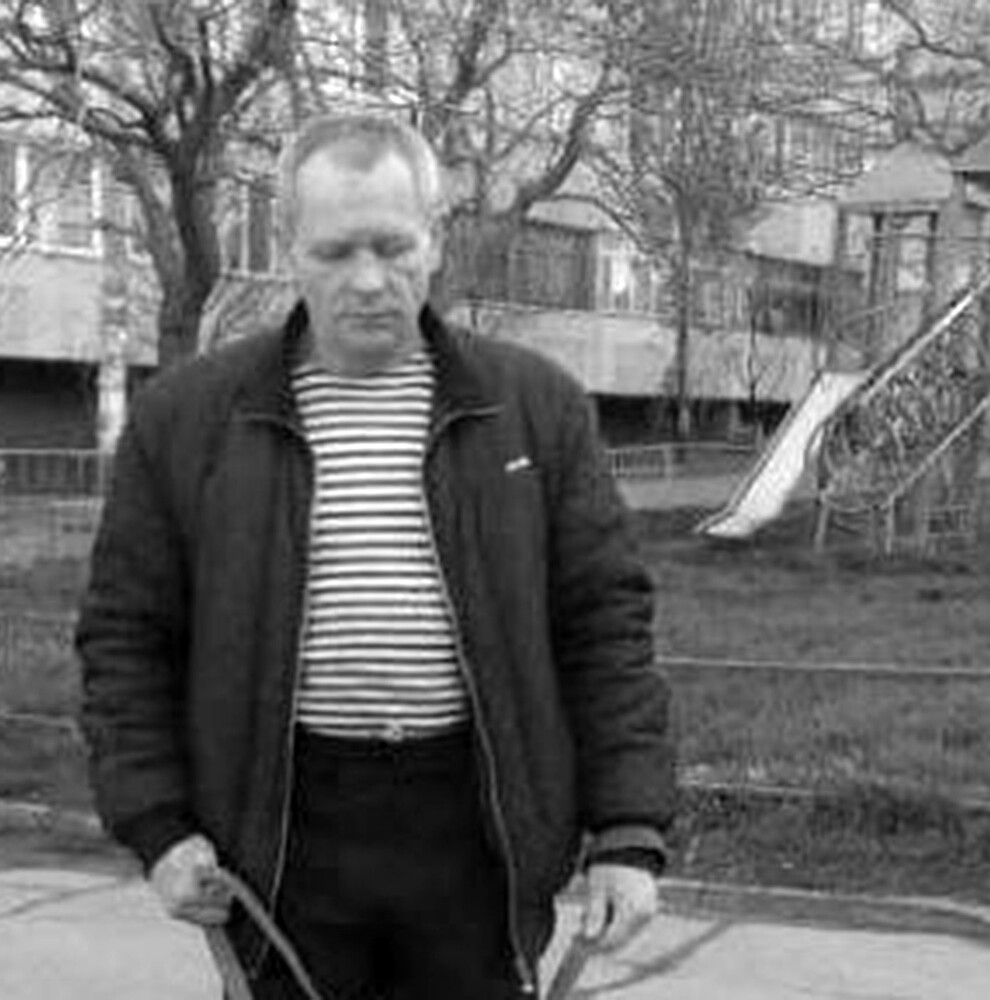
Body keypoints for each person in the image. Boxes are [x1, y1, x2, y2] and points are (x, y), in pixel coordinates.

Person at [76, 113, 676, 999]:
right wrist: (158, 825)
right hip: (283, 841)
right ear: (290, 250)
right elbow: (126, 637)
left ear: (436, 239)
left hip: (476, 839)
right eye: (335, 251)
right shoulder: (187, 419)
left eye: (394, 247)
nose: (367, 280)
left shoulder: (535, 409)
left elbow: (605, 626)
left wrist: (626, 831)